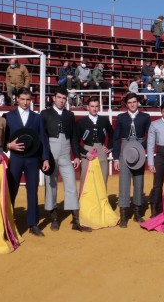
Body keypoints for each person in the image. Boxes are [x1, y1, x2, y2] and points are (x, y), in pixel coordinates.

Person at [40, 88, 91, 232]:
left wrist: (76, 155)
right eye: (59, 97)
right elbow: (42, 137)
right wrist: (44, 157)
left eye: (64, 98)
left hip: (65, 150)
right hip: (51, 149)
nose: (62, 100)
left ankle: (76, 221)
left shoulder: (69, 115)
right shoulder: (45, 114)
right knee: (51, 184)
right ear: (54, 98)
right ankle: (54, 218)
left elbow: (74, 137)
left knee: (71, 184)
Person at [4, 89, 51, 237]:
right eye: (23, 99)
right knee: (11, 190)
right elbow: (2, 139)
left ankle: (33, 224)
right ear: (17, 99)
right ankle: (8, 222)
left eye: (28, 99)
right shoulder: (8, 117)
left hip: (32, 159)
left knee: (32, 191)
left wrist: (45, 158)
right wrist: (8, 145)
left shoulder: (37, 118)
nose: (25, 102)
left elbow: (43, 139)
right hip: (16, 159)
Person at [113, 93, 151, 227]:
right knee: (124, 181)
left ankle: (137, 213)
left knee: (139, 180)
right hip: (125, 147)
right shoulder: (121, 117)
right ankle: (124, 216)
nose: (133, 104)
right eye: (130, 103)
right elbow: (116, 138)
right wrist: (116, 157)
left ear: (138, 102)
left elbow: (150, 137)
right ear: (126, 104)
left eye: (134, 102)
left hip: (139, 148)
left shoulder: (145, 117)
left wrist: (141, 147)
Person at [77, 96, 113, 189]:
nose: (94, 108)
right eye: (92, 106)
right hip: (87, 150)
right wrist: (85, 152)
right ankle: (84, 202)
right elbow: (75, 141)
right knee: (85, 178)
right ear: (87, 107)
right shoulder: (81, 122)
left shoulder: (104, 120)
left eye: (96, 106)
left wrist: (109, 147)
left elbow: (112, 135)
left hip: (101, 150)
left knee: (103, 178)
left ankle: (101, 202)